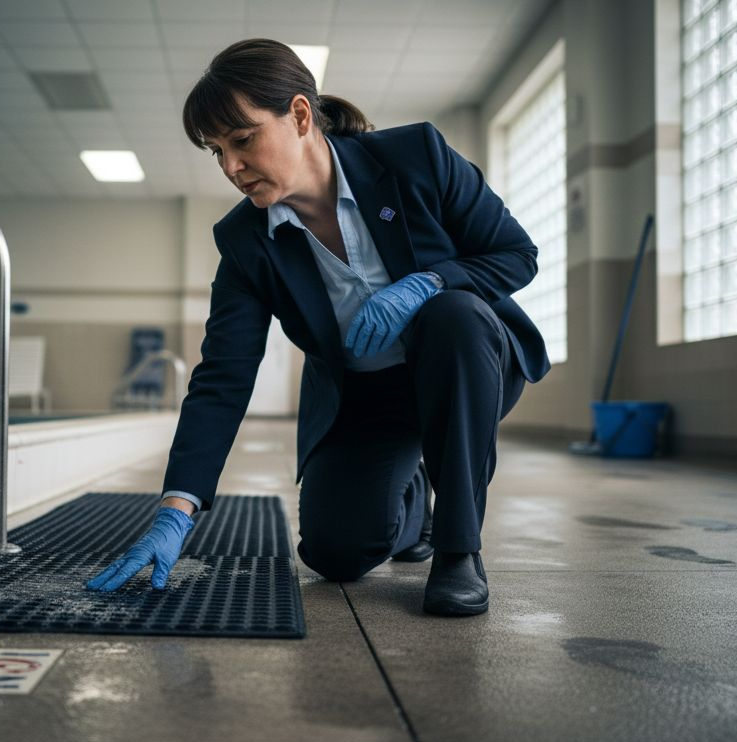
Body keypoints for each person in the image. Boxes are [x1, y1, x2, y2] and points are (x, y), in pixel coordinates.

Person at [86, 38, 550, 615]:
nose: (231, 167)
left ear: (301, 115)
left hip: (462, 365)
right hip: (365, 399)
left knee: (454, 313)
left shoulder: (415, 157)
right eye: (216, 152)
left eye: (243, 139)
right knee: (336, 553)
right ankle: (415, 506)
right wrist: (176, 509)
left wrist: (429, 282)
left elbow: (515, 254)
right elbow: (222, 377)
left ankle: (458, 551)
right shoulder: (245, 241)